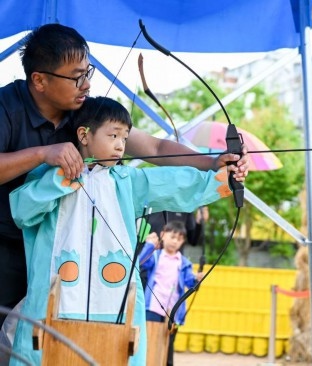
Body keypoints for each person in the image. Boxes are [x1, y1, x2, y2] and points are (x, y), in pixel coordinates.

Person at [0, 23, 248, 329]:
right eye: (76, 77)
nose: (86, 85)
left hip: (63, 256)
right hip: (6, 246)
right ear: (39, 80)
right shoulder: (5, 107)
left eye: (87, 73)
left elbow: (155, 147)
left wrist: (212, 163)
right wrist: (42, 154)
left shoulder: (84, 112)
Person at [6, 96, 239, 365]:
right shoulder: (51, 175)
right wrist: (60, 180)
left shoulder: (127, 181)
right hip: (53, 305)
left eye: (124, 138)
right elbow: (22, 210)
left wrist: (222, 177)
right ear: (84, 135)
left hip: (114, 307)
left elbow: (174, 184)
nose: (120, 145)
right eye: (113, 135)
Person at [139, 220, 202, 366]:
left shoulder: (184, 262)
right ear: (163, 235)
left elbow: (190, 283)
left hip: (173, 311)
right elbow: (140, 262)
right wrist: (149, 246)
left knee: (168, 344)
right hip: (153, 307)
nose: (175, 242)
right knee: (149, 341)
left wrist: (197, 279)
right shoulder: (155, 256)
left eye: (179, 239)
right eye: (172, 237)